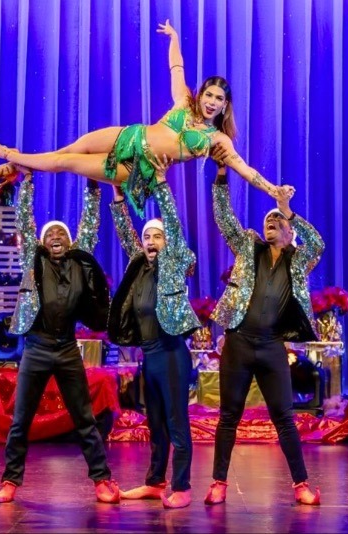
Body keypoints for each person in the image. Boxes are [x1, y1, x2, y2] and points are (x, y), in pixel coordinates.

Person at [0, 19, 291, 218]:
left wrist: (274, 190)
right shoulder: (184, 101)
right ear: (201, 95)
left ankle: (10, 156)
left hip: (137, 168)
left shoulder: (217, 140)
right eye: (208, 94)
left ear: (225, 106)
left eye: (218, 99)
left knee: (66, 163)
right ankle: (14, 167)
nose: (211, 101)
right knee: (67, 149)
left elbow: (246, 170)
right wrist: (174, 38)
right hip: (128, 136)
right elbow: (177, 67)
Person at [0, 166, 119, 505]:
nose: (56, 236)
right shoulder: (33, 261)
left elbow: (90, 224)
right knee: (21, 420)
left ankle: (102, 480)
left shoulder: (79, 262)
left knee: (84, 418)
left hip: (66, 349)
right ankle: (9, 482)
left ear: (70, 240)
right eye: (51, 235)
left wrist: (92, 181)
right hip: (36, 348)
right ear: (43, 243)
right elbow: (24, 222)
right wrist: (27, 184)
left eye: (61, 232)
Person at [204, 149, 325, 506]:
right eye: (269, 219)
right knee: (229, 416)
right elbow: (225, 219)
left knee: (284, 417)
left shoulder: (299, 260)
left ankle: (301, 484)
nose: (271, 222)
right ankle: (218, 483)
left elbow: (317, 242)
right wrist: (222, 175)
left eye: (278, 221)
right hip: (239, 343)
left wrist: (287, 208)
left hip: (273, 346)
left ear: (289, 232)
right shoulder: (248, 247)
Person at [108, 155, 201, 509]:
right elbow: (125, 236)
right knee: (156, 423)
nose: (150, 240)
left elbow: (174, 227)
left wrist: (161, 186)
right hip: (149, 356)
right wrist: (118, 199)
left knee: (177, 422)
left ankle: (182, 486)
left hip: (172, 353)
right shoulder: (140, 268)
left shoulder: (174, 262)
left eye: (156, 236)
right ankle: (155, 481)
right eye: (147, 236)